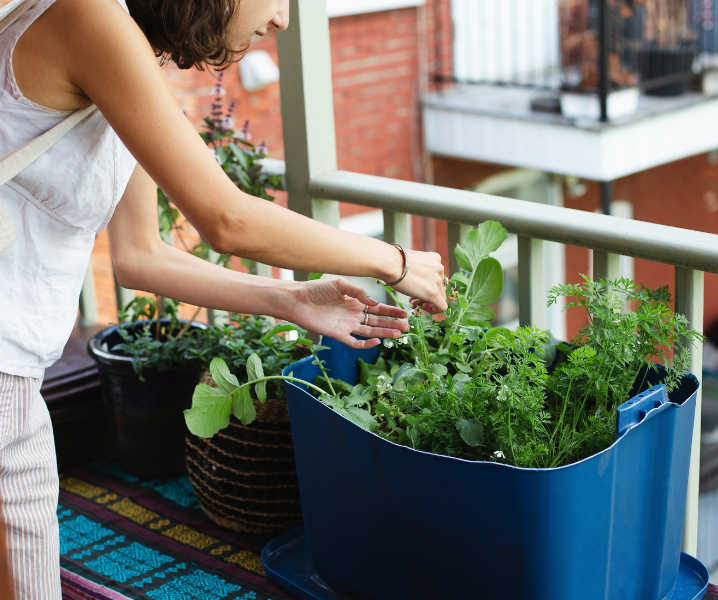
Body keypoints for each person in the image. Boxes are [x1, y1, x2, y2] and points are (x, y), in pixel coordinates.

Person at [0, 0, 447, 596]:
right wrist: (392, 262)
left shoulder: (125, 51)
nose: (283, 20)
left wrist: (292, 300)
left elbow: (141, 256)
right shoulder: (90, 17)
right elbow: (226, 218)